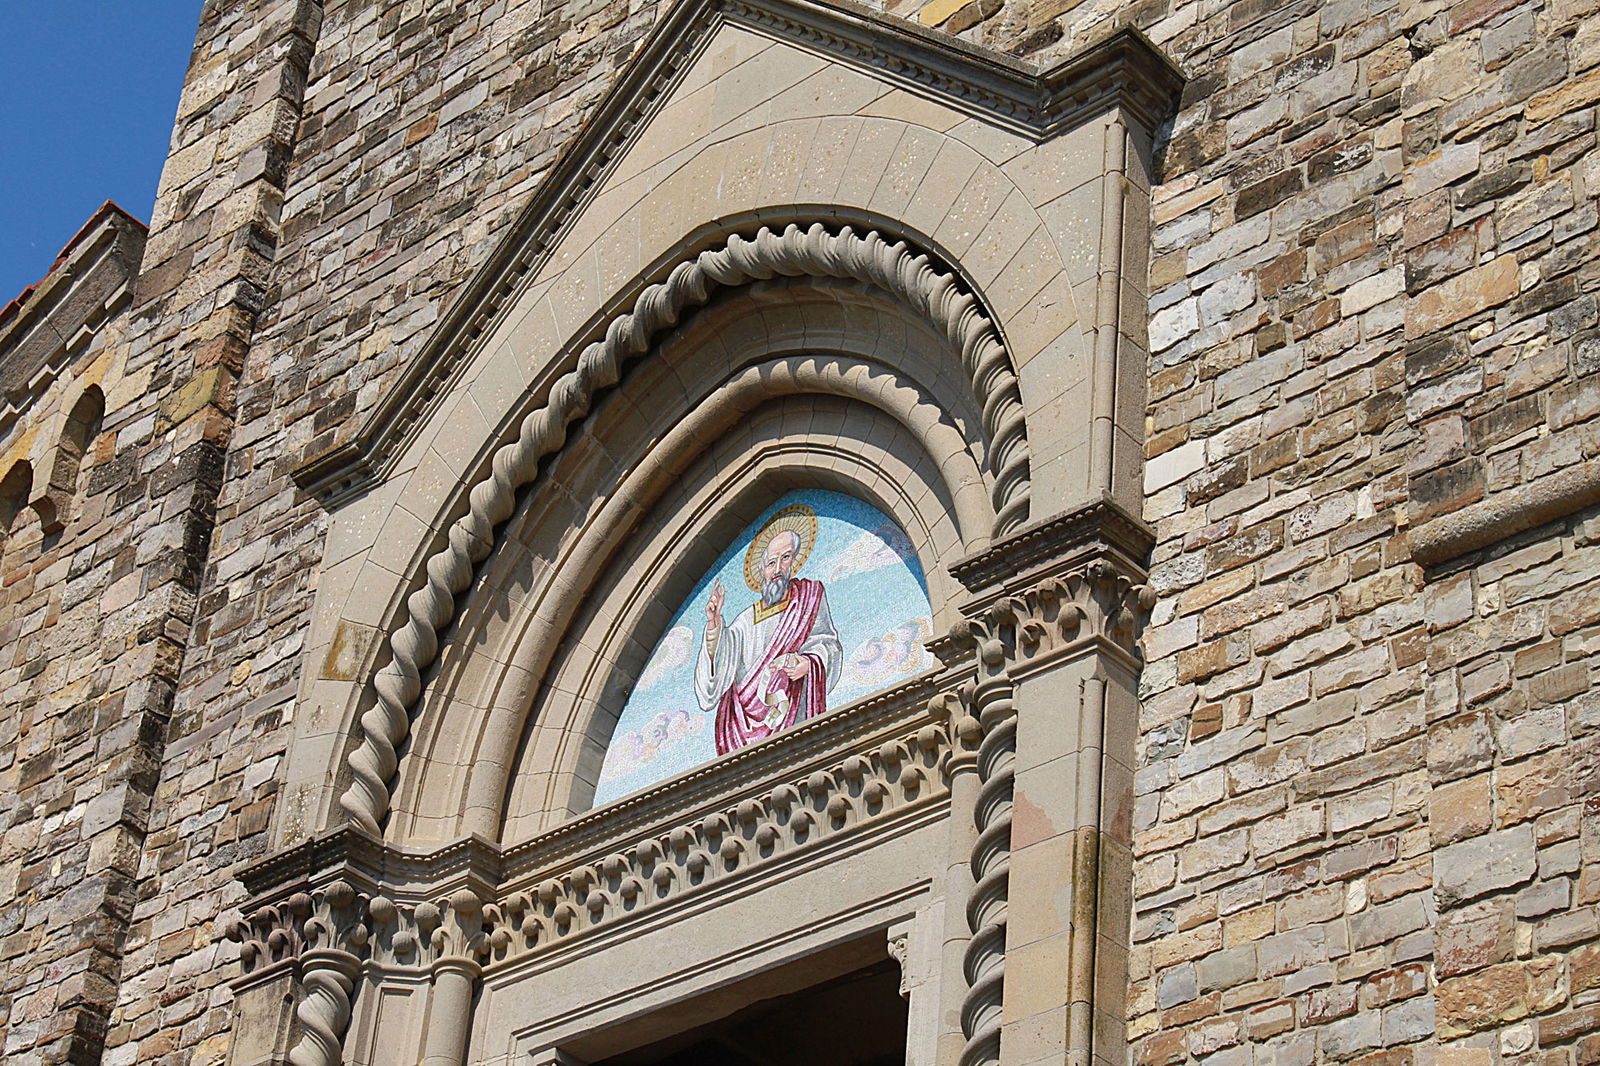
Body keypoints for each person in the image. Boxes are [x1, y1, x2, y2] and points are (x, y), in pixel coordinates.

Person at [694, 505, 841, 754]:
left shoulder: (809, 597)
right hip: (740, 725)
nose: (777, 569)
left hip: (793, 709)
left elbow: (827, 642)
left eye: (785, 558)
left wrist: (810, 663)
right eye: (771, 562)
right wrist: (714, 625)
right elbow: (719, 671)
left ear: (794, 560)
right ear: (762, 570)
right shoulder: (745, 621)